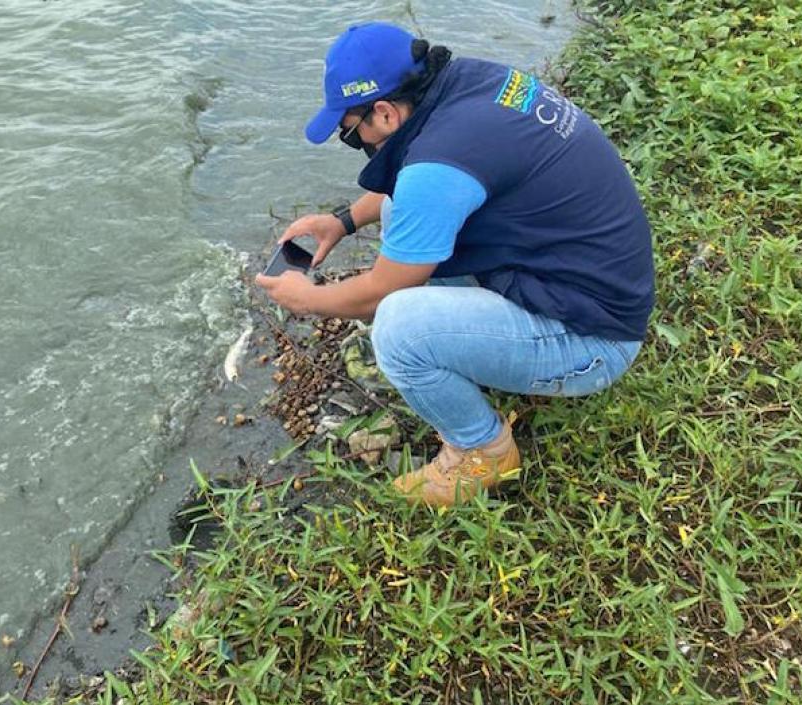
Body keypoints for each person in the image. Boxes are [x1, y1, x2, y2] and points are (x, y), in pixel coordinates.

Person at [255, 22, 654, 507]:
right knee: (401, 209)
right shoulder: (469, 84)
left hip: (595, 340)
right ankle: (481, 359)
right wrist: (343, 221)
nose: (358, 144)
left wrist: (310, 300)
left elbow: (383, 292)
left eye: (352, 135)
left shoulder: (437, 165)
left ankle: (482, 452)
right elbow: (418, 186)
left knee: (399, 330)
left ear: (385, 113)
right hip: (588, 279)